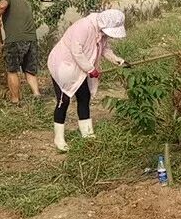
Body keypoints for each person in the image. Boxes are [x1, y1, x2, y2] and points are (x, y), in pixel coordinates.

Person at [46, 9, 130, 152]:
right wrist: (90, 69)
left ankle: (87, 133)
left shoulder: (101, 32)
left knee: (84, 98)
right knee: (64, 100)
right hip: (63, 65)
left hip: (81, 68)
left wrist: (119, 61)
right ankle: (59, 138)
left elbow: (104, 49)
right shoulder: (83, 27)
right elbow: (76, 51)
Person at [0, 0, 40, 104]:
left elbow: (2, 6)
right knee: (29, 70)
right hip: (31, 39)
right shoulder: (26, 3)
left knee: (12, 70)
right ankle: (36, 95)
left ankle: (15, 100)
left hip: (15, 41)